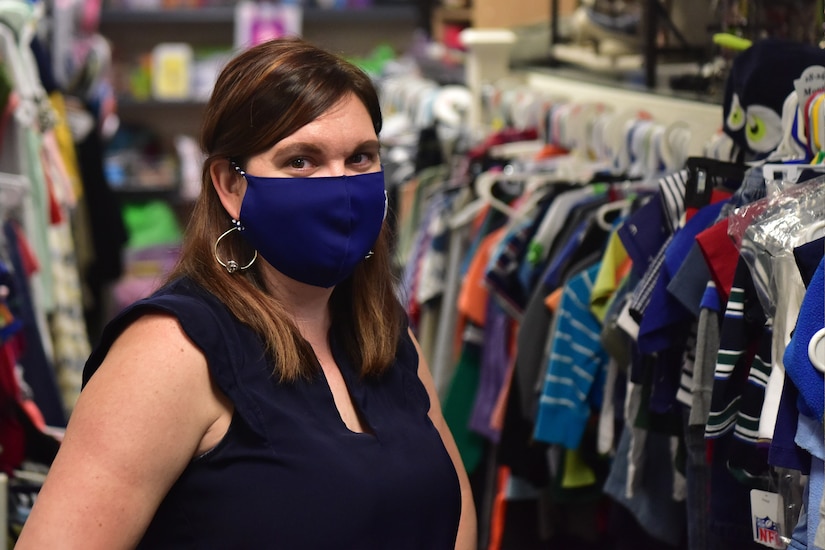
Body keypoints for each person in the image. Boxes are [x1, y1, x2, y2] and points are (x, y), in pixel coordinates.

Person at [16, 37, 477, 549]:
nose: (340, 186)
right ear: (230, 186)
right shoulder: (170, 352)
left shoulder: (383, 330)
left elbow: (453, 505)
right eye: (300, 160)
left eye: (360, 158)